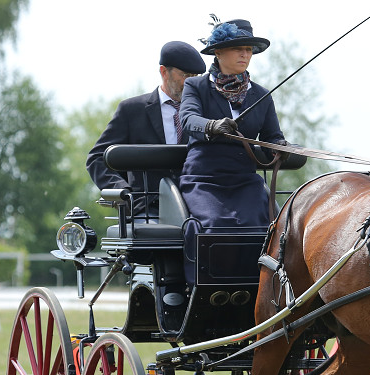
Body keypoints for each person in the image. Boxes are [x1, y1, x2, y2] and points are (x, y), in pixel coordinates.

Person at [178, 17, 287, 284]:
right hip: (205, 179)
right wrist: (213, 126)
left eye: (249, 49)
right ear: (218, 52)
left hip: (245, 180)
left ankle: (257, 290)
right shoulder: (196, 86)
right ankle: (206, 290)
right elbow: (188, 120)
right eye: (238, 48)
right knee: (217, 228)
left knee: (263, 230)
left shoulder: (261, 95)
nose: (245, 54)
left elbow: (273, 136)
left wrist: (282, 148)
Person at [86, 41, 206, 218]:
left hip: (199, 208)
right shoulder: (132, 110)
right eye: (186, 75)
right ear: (164, 72)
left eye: (196, 76)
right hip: (146, 211)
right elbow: (97, 159)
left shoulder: (206, 112)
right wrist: (123, 193)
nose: (191, 83)